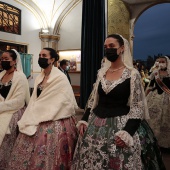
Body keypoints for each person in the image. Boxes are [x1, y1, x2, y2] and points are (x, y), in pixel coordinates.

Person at [71, 34, 165, 170]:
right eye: (105, 47)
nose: (108, 49)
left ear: (121, 49)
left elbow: (137, 106)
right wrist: (84, 119)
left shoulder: (132, 74)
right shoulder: (101, 73)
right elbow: (93, 100)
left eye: (111, 46)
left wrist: (127, 132)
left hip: (122, 123)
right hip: (95, 123)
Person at [8, 48, 78, 169]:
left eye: (44, 55)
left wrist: (42, 114)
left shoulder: (60, 77)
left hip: (55, 118)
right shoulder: (40, 77)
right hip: (37, 115)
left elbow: (62, 101)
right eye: (39, 55)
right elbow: (35, 99)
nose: (41, 57)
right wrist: (31, 113)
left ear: (52, 59)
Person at [0, 49, 30, 169]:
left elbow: (19, 101)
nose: (3, 61)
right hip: (2, 111)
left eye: (6, 59)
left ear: (14, 61)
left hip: (13, 114)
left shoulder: (20, 77)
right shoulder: (0, 75)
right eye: (2, 59)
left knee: (6, 145)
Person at [146, 56, 170, 149]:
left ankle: (164, 144)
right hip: (154, 97)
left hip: (167, 98)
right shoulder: (154, 73)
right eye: (159, 62)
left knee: (165, 120)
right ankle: (153, 141)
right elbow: (150, 85)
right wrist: (144, 97)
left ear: (167, 63)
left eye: (163, 61)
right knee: (153, 120)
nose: (161, 63)